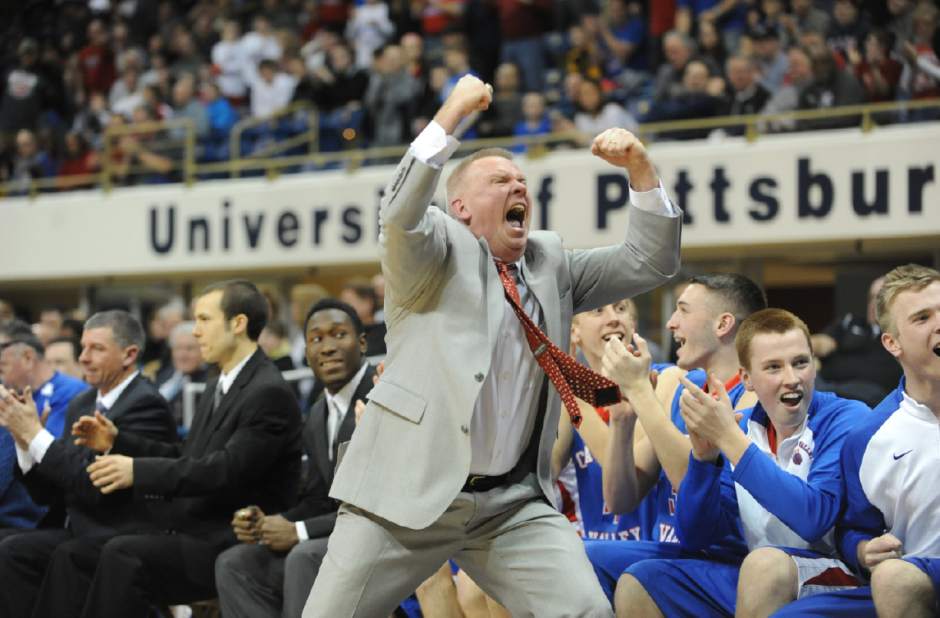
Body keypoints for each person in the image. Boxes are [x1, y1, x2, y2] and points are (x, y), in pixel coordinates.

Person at [302, 74, 681, 617]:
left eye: (523, 181)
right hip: (407, 495)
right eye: (501, 180)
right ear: (459, 208)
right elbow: (399, 214)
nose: (519, 187)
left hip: (510, 503)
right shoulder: (430, 256)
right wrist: (451, 113)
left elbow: (651, 261)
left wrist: (641, 170)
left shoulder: (551, 264)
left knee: (588, 613)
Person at [66, 280, 303, 618]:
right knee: (80, 551)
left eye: (205, 320)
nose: (195, 332)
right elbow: (188, 455)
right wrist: (119, 442)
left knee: (123, 553)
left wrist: (137, 472)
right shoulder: (219, 380)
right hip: (198, 528)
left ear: (238, 324)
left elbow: (224, 470)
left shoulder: (268, 391)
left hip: (236, 537)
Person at [614, 308, 868, 617]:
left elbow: (814, 519)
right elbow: (697, 536)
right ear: (747, 379)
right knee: (640, 581)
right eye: (773, 367)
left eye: (800, 363)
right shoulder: (744, 424)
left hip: (837, 572)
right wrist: (703, 460)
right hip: (755, 568)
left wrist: (730, 440)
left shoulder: (846, 417)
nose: (792, 379)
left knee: (763, 567)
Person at [585, 273, 766, 607]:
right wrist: (623, 420)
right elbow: (620, 500)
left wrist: (640, 390)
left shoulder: (753, 398)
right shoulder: (677, 383)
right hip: (678, 550)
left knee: (641, 577)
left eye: (682, 310)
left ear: (723, 324)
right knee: (576, 558)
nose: (670, 323)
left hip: (730, 556)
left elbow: (691, 484)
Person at [773, 264, 940, 617]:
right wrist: (862, 550)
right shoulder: (869, 436)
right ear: (892, 342)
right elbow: (853, 530)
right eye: (922, 318)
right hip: (915, 580)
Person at [0, 310, 176, 617]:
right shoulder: (83, 402)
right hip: (79, 523)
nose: (83, 357)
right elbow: (51, 491)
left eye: (97, 348)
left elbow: (94, 485)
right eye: (83, 347)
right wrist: (24, 442)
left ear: (129, 354)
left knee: (48, 553)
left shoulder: (146, 404)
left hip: (120, 528)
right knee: (11, 549)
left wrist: (37, 435)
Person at [216, 299, 377, 618]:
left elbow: (375, 506)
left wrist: (300, 531)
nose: (327, 347)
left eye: (338, 335)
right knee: (235, 563)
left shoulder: (380, 395)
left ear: (362, 343)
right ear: (306, 353)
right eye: (316, 339)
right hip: (333, 538)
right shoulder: (316, 413)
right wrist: (270, 524)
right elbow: (319, 499)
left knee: (303, 556)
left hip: (380, 540)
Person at [812, 275, 903, 406]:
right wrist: (806, 351)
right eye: (872, 297)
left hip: (873, 396)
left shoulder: (902, 335)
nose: (874, 303)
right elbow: (822, 342)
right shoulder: (850, 323)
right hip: (828, 387)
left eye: (881, 297)